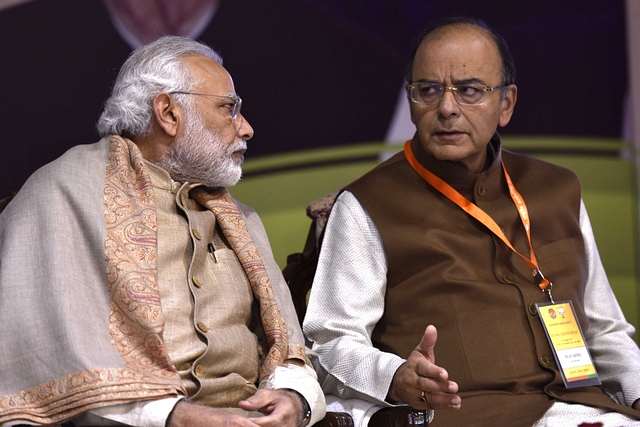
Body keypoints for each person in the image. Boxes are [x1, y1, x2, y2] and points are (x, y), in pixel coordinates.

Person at [303, 16, 640, 427]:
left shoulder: (558, 189)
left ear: (507, 104)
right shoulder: (367, 204)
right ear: (411, 102)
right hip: (466, 416)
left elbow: (605, 333)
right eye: (428, 90)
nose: (447, 108)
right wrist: (394, 377)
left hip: (583, 409)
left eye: (469, 91)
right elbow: (331, 343)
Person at [0, 36, 325, 427]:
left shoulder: (241, 219)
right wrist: (176, 418)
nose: (247, 129)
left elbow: (289, 352)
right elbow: (44, 359)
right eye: (229, 109)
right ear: (168, 113)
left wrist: (294, 399)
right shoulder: (63, 192)